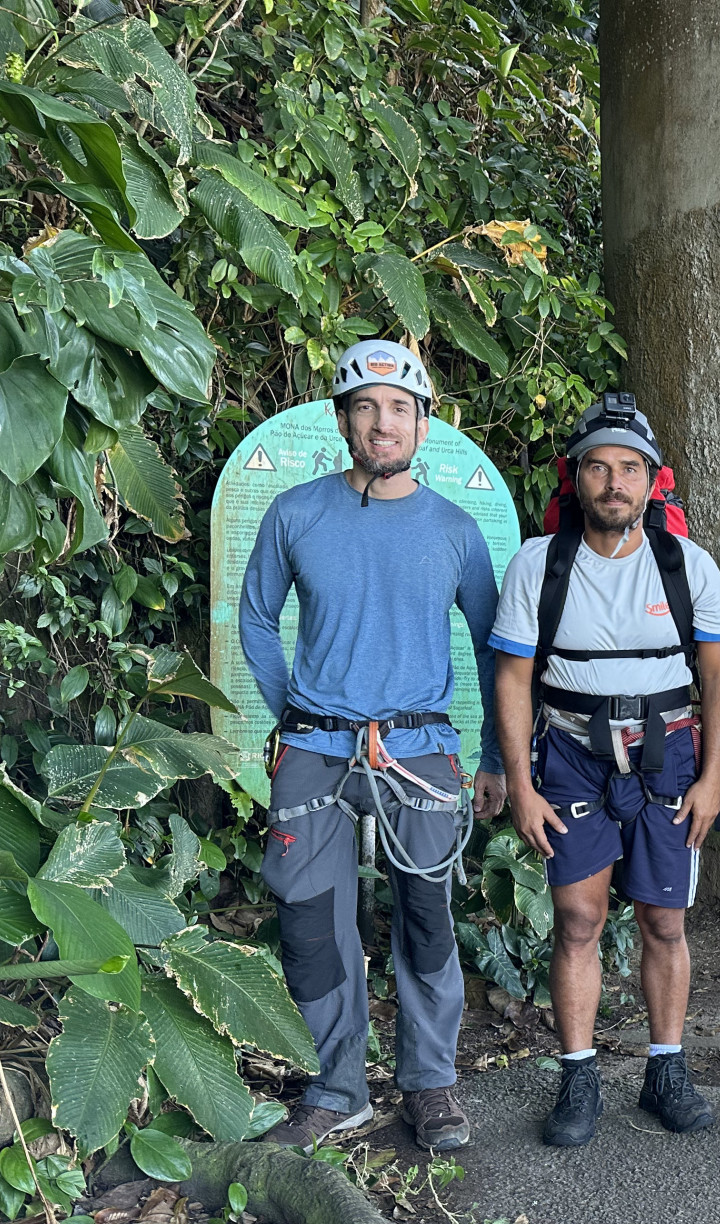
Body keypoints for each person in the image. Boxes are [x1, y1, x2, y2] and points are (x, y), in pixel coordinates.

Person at [242, 340, 507, 1154]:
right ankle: (338, 1089)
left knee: (426, 920)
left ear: (423, 424)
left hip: (417, 748)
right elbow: (256, 619)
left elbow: (495, 647)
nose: (381, 422)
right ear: (342, 420)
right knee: (311, 923)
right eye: (365, 407)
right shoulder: (295, 514)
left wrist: (495, 756)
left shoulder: (456, 531)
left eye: (398, 408)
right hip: (316, 749)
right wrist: (296, 716)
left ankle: (430, 1085)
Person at [490, 395, 720, 1147]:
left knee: (665, 919)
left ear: (652, 481)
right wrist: (522, 788)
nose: (614, 483)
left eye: (630, 469)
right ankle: (578, 1075)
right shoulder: (541, 563)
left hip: (668, 756)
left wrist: (709, 778)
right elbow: (511, 679)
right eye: (598, 467)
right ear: (578, 476)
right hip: (568, 756)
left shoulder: (685, 564)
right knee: (578, 920)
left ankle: (666, 1069)